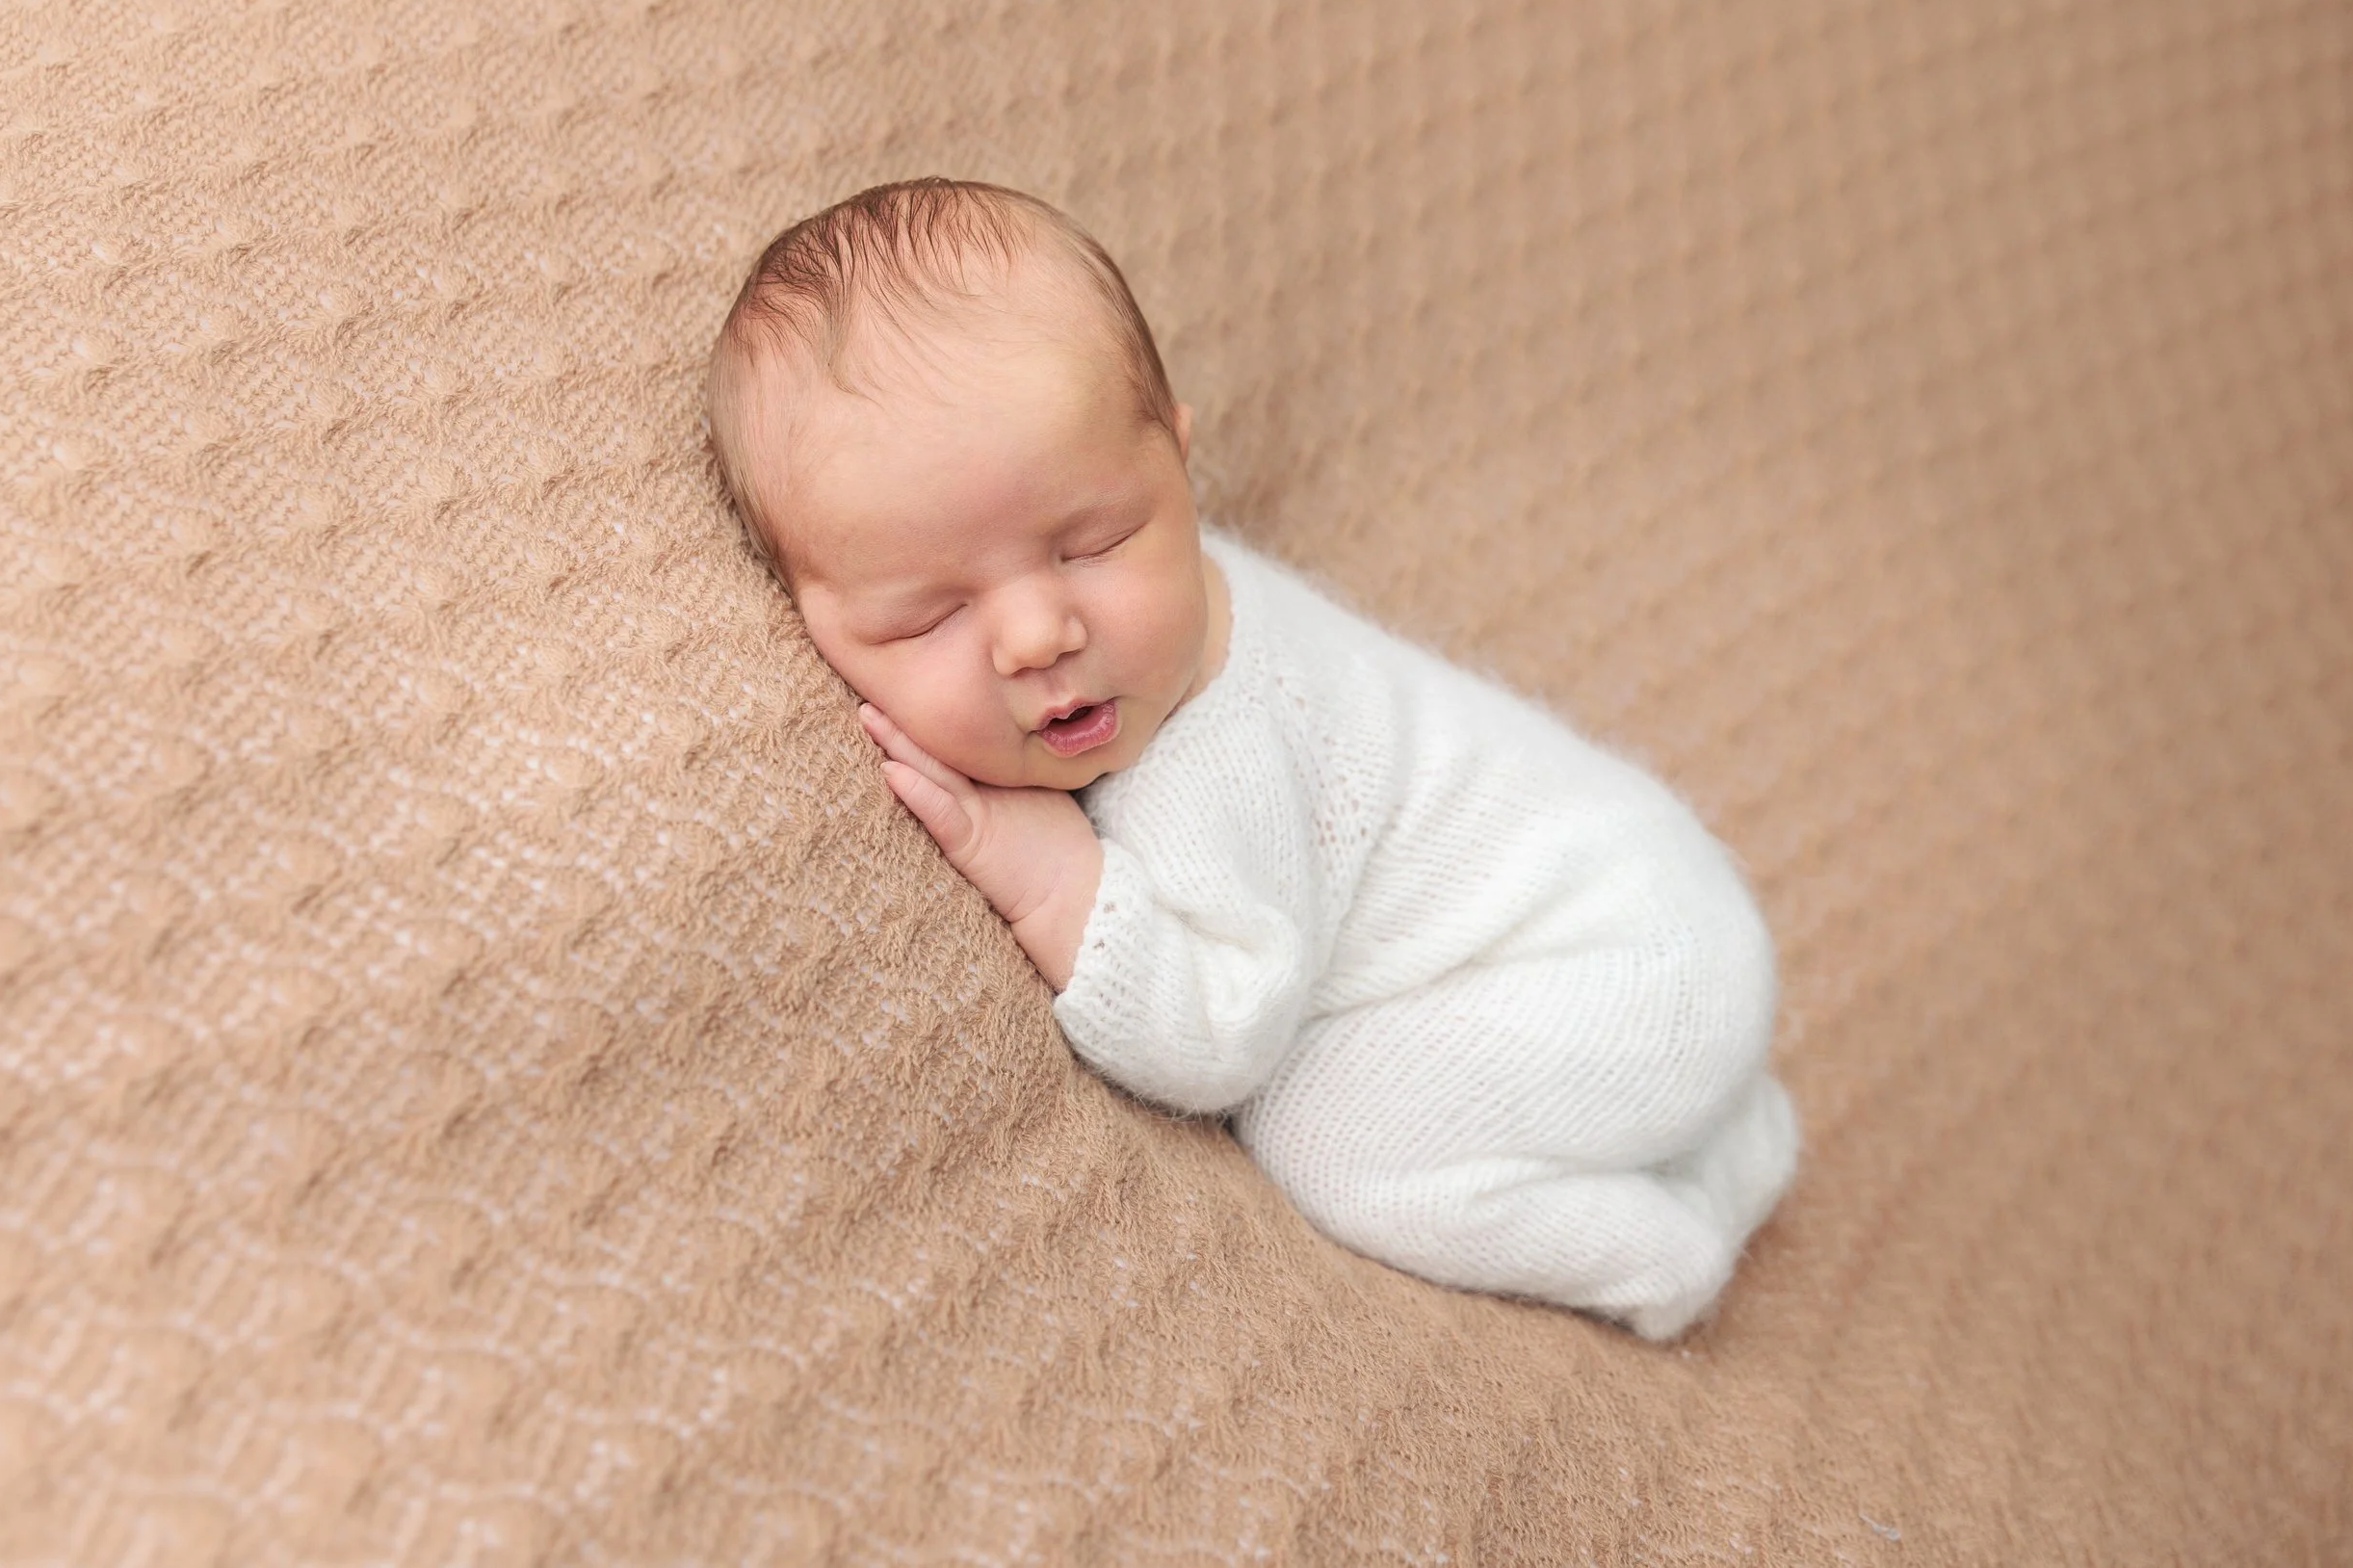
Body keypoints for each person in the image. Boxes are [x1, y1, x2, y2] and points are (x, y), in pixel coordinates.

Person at [705, 178, 1795, 1339]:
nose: (1036, 636)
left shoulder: (1213, 754)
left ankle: (1662, 1248)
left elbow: (1221, 1036)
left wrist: (1049, 878)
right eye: (928, 616)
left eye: (1094, 541)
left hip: (1614, 969)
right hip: (1650, 915)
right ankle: (1737, 1134)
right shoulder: (1164, 607)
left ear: (1177, 465)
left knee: (1332, 1139)